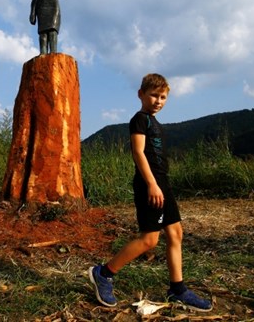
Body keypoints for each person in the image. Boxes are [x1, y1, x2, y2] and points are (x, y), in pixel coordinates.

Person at [88, 73, 212, 312]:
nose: (158, 100)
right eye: (154, 95)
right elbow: (138, 153)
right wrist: (152, 184)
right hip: (150, 185)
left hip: (163, 184)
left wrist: (161, 184)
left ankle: (178, 290)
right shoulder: (140, 119)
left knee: (176, 233)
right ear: (141, 94)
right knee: (149, 239)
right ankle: (103, 273)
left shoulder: (156, 123)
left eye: (163, 97)